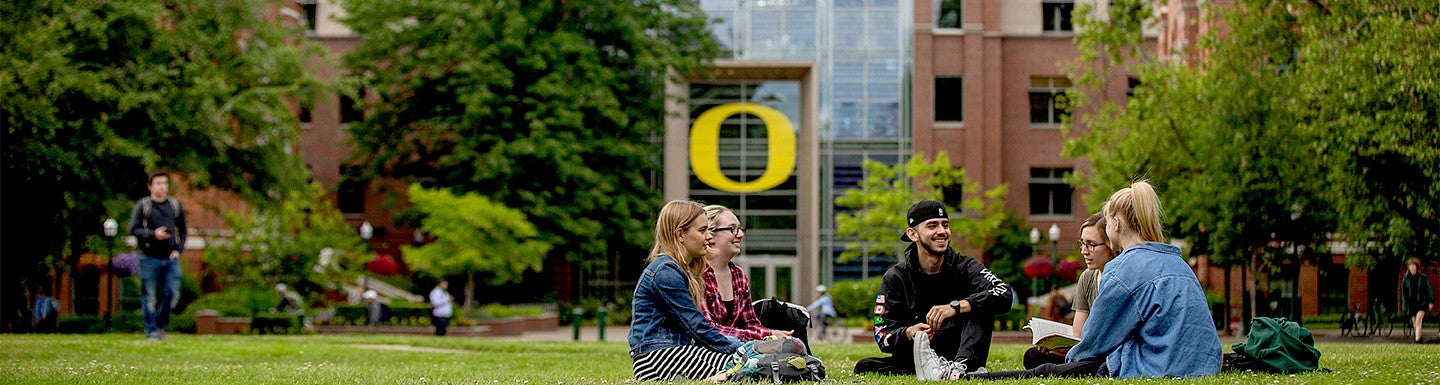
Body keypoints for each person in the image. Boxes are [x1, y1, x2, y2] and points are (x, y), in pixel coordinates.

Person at [914, 181, 1221, 380]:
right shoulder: (1174, 260)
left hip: (1162, 367)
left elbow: (1094, 345)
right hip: (1201, 365)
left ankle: (956, 377)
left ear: (1114, 223)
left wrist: (1066, 359)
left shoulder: (1125, 269)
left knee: (1054, 369)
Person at [855, 200, 1014, 377]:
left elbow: (1004, 293)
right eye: (932, 226)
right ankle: (937, 371)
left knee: (982, 304)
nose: (941, 231)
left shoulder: (966, 267)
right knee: (865, 366)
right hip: (916, 360)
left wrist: (956, 307)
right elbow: (882, 335)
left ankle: (957, 370)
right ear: (912, 234)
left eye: (945, 225)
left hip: (960, 356)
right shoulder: (895, 277)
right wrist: (909, 333)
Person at [628, 200, 741, 381]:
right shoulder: (664, 271)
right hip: (658, 357)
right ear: (680, 234)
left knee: (741, 359)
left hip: (675, 352)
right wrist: (738, 348)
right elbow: (695, 325)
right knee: (744, 364)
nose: (709, 238)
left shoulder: (681, 269)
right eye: (703, 230)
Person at [1022, 212, 1114, 369]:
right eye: (1082, 243)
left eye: (1091, 244)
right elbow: (1077, 333)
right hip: (1085, 351)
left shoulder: (1120, 279)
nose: (1084, 251)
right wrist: (1056, 346)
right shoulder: (1087, 277)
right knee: (1033, 356)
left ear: (1110, 245)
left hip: (1108, 352)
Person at [700, 204, 791, 342]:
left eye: (740, 229)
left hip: (738, 349)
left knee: (795, 344)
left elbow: (751, 325)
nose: (740, 235)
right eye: (732, 229)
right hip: (709, 350)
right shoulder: (695, 275)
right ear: (710, 234)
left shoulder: (738, 275)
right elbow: (707, 330)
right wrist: (765, 336)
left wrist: (774, 335)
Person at [126, 171, 187, 341]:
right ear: (150, 186)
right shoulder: (143, 206)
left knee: (172, 294)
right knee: (150, 297)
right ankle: (151, 331)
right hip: (148, 257)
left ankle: (160, 325)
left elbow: (183, 230)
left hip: (170, 258)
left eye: (165, 183)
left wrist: (179, 249)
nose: (162, 186)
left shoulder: (174, 205)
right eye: (158, 183)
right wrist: (154, 234)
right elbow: (133, 229)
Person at [1401, 257, 1434, 344]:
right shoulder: (1406, 278)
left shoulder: (1422, 277)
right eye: (1410, 266)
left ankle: (1417, 341)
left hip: (1422, 303)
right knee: (1415, 323)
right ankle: (1419, 339)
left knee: (1418, 321)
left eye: (1413, 266)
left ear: (1417, 267)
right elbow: (1404, 293)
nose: (1412, 268)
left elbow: (1429, 289)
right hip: (1411, 304)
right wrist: (1405, 305)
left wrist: (1431, 301)